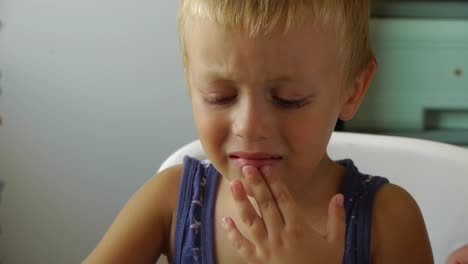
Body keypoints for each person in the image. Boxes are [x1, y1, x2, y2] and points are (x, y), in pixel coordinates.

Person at [83, 0, 434, 263]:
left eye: (288, 100)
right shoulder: (169, 202)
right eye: (219, 97)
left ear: (352, 91)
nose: (249, 126)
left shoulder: (388, 221)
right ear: (191, 84)